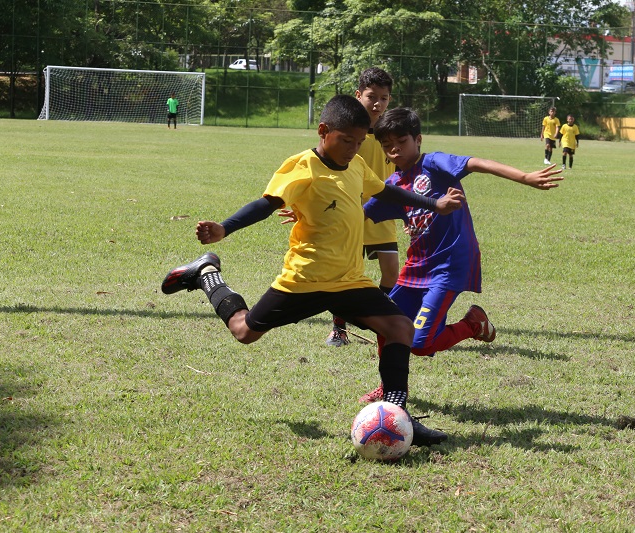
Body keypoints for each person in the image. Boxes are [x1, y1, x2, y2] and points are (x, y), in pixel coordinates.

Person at [161, 95, 465, 445]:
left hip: (349, 281)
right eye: (346, 140)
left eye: (359, 142)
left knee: (399, 327)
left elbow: (387, 191)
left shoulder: (355, 166)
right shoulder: (302, 166)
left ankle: (398, 413)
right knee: (244, 331)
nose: (353, 149)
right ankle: (205, 274)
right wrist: (224, 228)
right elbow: (265, 205)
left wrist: (434, 204)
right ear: (324, 131)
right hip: (304, 281)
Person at [357, 107, 564, 403]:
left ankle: (472, 324)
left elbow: (477, 162)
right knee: (385, 324)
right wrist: (310, 216)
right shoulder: (393, 186)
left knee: (419, 343)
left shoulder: (435, 162)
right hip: (415, 269)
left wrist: (524, 177)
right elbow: (358, 216)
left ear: (418, 139)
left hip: (449, 266)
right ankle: (390, 385)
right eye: (387, 145)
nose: (394, 150)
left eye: (401, 142)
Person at [325, 67, 399, 348]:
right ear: (359, 96)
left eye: (384, 97)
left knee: (391, 272)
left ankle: (375, 317)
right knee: (347, 274)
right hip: (351, 213)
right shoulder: (347, 132)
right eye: (371, 96)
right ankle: (338, 327)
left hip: (383, 213)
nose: (378, 103)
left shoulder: (391, 132)